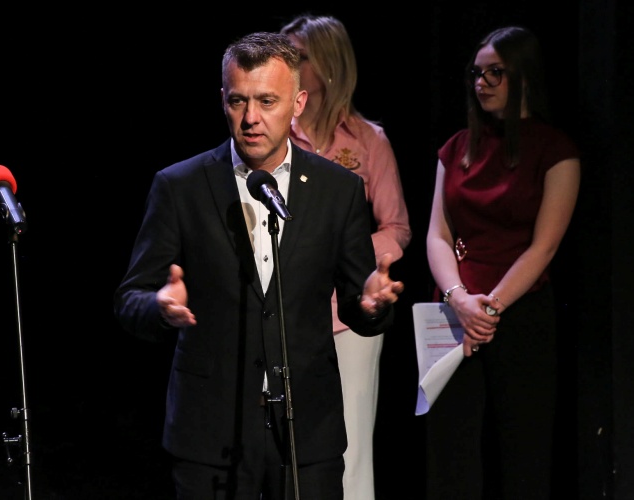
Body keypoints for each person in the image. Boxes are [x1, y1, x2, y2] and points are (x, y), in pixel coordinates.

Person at [113, 31, 405, 500]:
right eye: (238, 101)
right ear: (223, 100)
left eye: (267, 101)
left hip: (307, 429)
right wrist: (159, 306)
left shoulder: (338, 190)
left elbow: (358, 304)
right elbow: (130, 299)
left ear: (297, 103)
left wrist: (371, 306)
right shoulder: (181, 186)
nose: (251, 118)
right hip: (211, 431)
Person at [424, 26, 580, 499]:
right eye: (476, 73)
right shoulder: (456, 147)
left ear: (524, 76)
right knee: (449, 449)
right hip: (453, 314)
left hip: (519, 311)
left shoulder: (555, 150)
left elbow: (543, 248)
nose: (482, 83)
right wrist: (459, 300)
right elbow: (437, 235)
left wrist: (488, 310)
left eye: (495, 72)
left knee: (524, 448)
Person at [279, 14, 411, 499]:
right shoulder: (275, 135)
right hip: (287, 309)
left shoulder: (368, 140)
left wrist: (344, 255)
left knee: (351, 445)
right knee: (284, 439)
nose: (289, 66)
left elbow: (397, 227)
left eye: (300, 57)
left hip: (349, 315)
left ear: (329, 65)